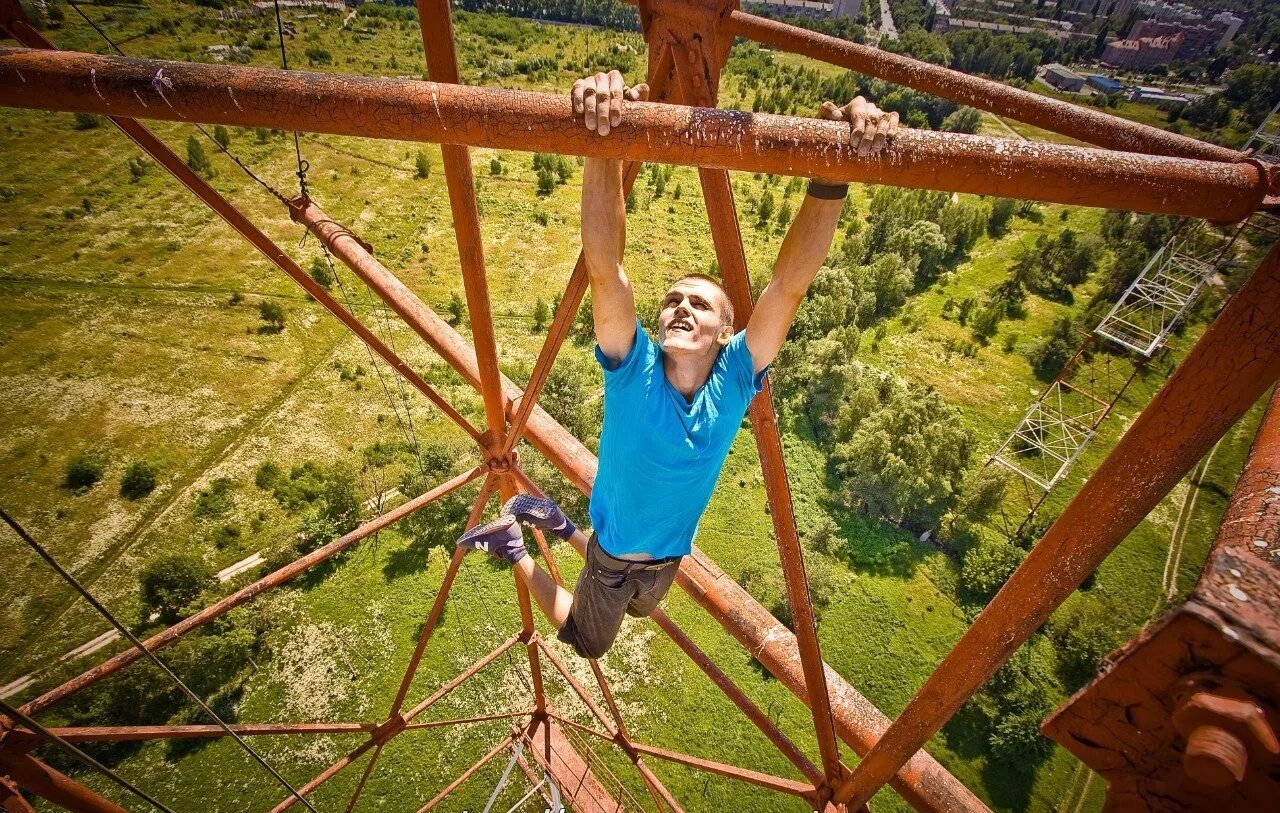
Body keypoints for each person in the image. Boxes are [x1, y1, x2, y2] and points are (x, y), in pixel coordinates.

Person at [458, 70, 900, 659]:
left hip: (667, 561)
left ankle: (562, 529)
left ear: (725, 330)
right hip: (613, 561)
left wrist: (833, 174)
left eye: (700, 302)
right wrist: (603, 138)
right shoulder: (632, 368)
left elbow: (788, 285)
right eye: (672, 299)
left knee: (641, 607)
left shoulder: (738, 374)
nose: (680, 307)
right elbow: (605, 267)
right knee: (588, 641)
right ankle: (516, 543)